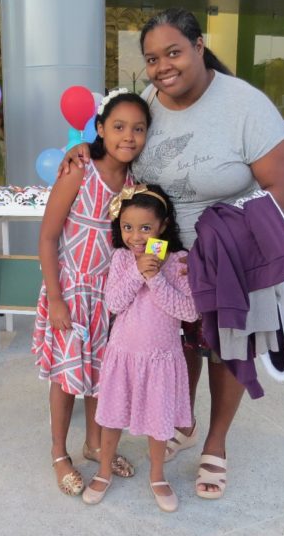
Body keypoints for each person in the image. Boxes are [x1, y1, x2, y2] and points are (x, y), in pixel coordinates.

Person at [59, 7, 284, 499]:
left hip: (230, 254)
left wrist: (223, 239)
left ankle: (215, 444)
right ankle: (181, 423)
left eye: (173, 52)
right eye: (152, 59)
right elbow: (120, 142)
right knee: (178, 341)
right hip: (164, 249)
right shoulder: (149, 100)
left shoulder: (245, 105)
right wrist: (84, 150)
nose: (162, 67)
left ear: (199, 46)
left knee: (227, 348)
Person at [34, 89, 150, 495]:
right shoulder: (80, 171)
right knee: (66, 377)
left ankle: (95, 444)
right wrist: (56, 299)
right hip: (72, 293)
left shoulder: (136, 185)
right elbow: (47, 238)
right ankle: (58, 453)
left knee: (102, 375)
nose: (128, 136)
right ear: (100, 129)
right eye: (118, 126)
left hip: (112, 297)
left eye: (138, 128)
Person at [82, 184, 198, 513]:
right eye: (127, 227)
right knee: (112, 417)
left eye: (145, 228)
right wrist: (137, 271)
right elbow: (114, 303)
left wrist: (156, 277)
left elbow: (189, 312)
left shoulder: (178, 261)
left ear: (162, 226)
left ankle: (158, 475)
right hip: (124, 355)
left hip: (161, 358)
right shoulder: (122, 258)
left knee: (158, 420)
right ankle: (104, 470)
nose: (135, 236)